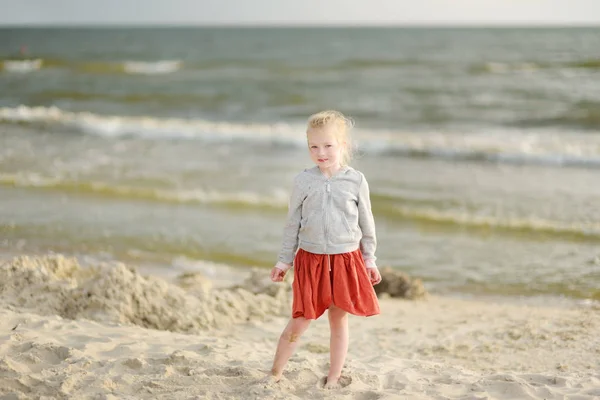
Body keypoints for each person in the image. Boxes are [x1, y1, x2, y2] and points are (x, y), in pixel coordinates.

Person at [265, 110, 382, 390]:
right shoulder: (303, 181)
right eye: (314, 146)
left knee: (338, 319)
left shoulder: (356, 180)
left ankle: (333, 376)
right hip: (310, 259)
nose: (321, 152)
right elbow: (292, 224)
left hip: (346, 259)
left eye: (328, 145)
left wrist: (370, 260)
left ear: (343, 145)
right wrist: (283, 262)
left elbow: (367, 224)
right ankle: (274, 374)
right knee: (300, 320)